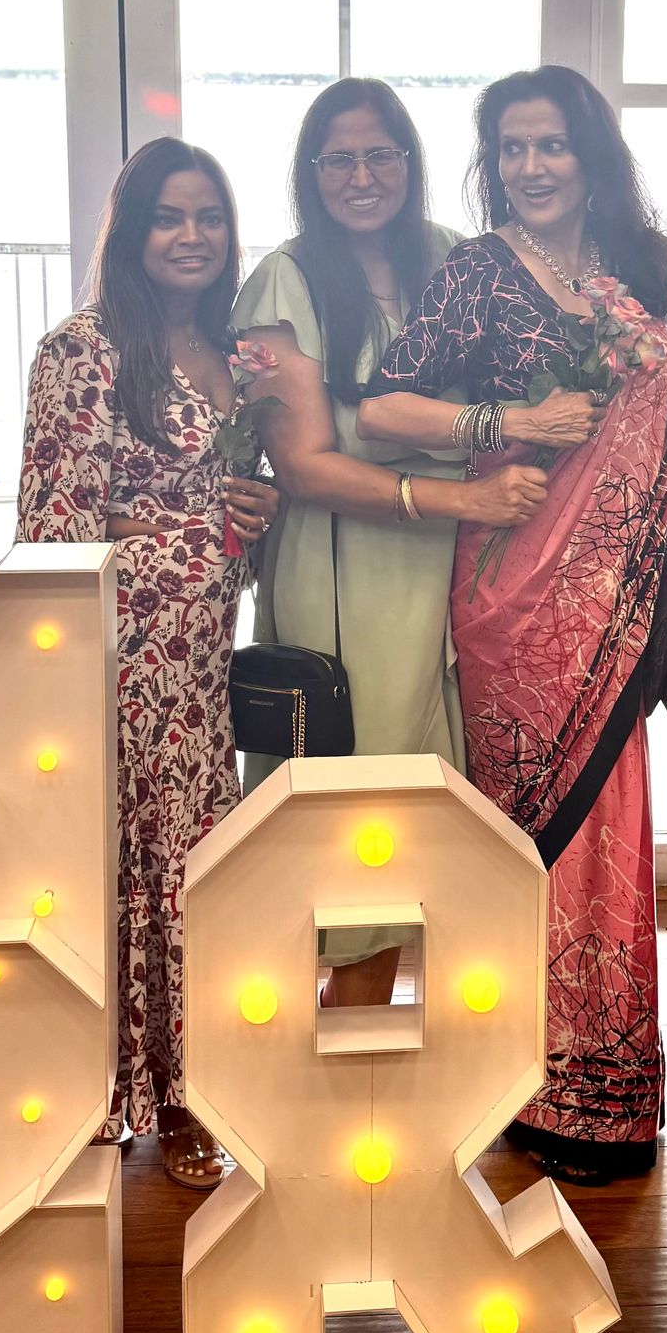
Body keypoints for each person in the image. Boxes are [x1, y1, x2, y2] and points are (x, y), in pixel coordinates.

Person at [357, 66, 667, 1184]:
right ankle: (517, 1075)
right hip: (513, 585)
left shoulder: (649, 267)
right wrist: (509, 417)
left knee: (615, 812)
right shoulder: (478, 272)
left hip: (616, 589)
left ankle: (604, 1085)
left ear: (590, 154)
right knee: (520, 820)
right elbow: (382, 403)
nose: (531, 166)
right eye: (511, 148)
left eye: (550, 145)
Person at [232, 80, 546, 1008]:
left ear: (411, 163)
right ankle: (327, 1033)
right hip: (346, 565)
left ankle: (436, 1056)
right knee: (355, 790)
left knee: (451, 793)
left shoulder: (460, 261)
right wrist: (464, 491)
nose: (362, 176)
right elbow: (305, 467)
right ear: (311, 172)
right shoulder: (282, 283)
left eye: (381, 155)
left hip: (467, 560)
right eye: (339, 158)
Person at [17, 140, 278, 1190]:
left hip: (199, 677)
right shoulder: (84, 350)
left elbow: (211, 513)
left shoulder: (234, 355)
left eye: (207, 216)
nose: (190, 237)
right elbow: (55, 534)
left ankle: (186, 1091)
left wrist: (246, 514)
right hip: (116, 676)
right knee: (113, 877)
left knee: (194, 884)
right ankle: (96, 1093)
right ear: (131, 232)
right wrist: (189, 526)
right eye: (168, 217)